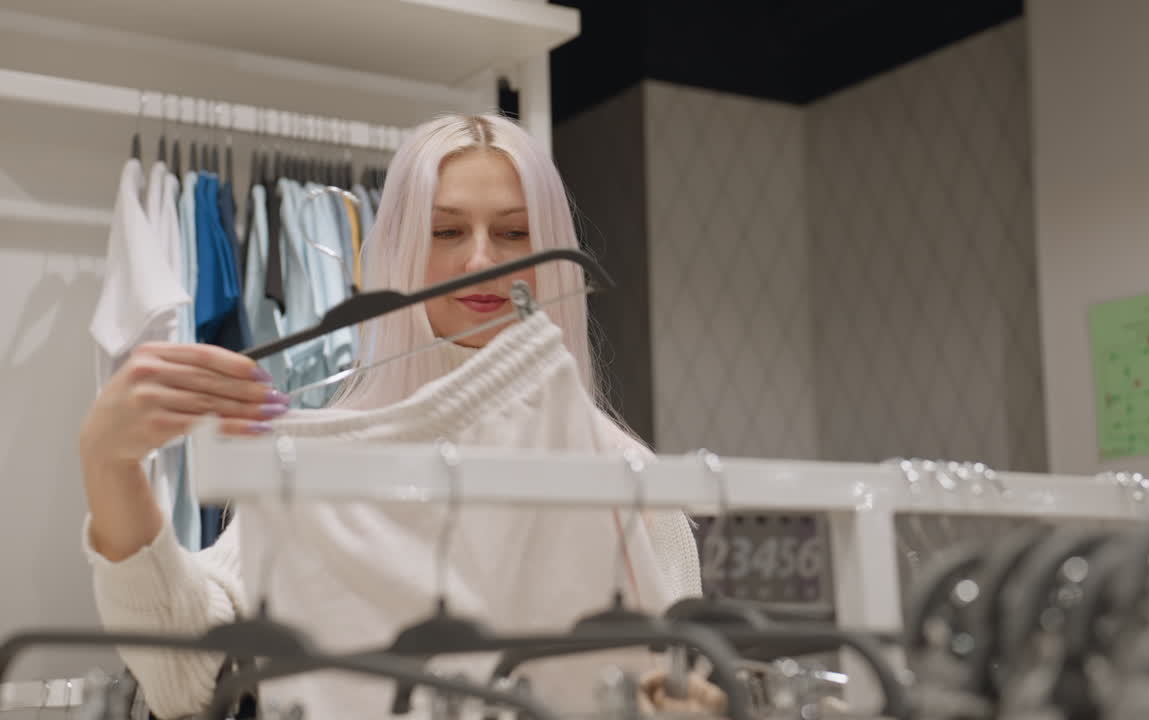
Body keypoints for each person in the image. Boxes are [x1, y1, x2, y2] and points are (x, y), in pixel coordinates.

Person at [78, 113, 701, 719]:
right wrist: (110, 468)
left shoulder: (626, 477)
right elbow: (183, 677)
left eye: (514, 233)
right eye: (446, 231)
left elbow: (679, 686)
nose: (483, 260)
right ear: (401, 246)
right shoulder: (323, 472)